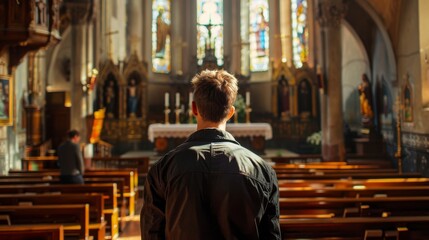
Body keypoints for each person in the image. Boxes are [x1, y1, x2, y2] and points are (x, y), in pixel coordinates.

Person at [141, 70, 281, 240]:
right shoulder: (263, 171)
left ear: (194, 108)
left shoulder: (162, 169)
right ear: (231, 112)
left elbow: (151, 234)